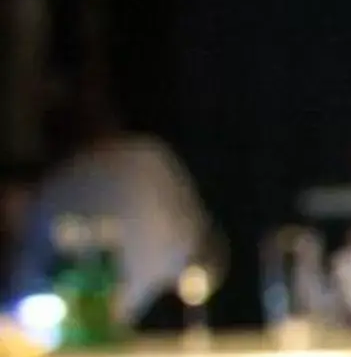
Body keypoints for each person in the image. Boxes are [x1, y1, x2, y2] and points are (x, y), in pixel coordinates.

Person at [5, 95, 208, 326]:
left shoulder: (147, 159)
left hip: (157, 320)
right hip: (158, 323)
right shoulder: (151, 155)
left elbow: (21, 297)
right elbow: (199, 240)